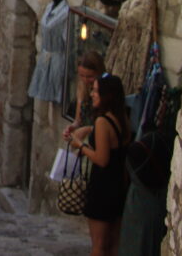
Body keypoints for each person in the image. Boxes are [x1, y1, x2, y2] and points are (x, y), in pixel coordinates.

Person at [65, 74, 131, 256]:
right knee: (113, 244)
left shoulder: (103, 122)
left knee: (99, 245)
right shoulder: (122, 119)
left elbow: (102, 159)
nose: (92, 94)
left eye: (96, 91)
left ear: (106, 95)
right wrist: (86, 130)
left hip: (103, 189)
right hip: (118, 187)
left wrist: (81, 146)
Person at [63, 50, 106, 139]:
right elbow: (78, 119)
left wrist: (88, 129)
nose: (85, 80)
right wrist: (72, 127)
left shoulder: (106, 90)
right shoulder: (82, 87)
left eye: (90, 77)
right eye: (82, 76)